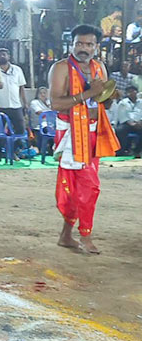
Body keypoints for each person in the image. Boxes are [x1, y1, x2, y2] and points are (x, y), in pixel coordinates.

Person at [51, 25, 119, 254]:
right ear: (71, 44)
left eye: (89, 44)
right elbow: (55, 104)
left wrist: (109, 97)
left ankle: (67, 235)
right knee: (81, 187)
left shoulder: (100, 68)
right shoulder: (60, 68)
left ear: (96, 47)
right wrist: (88, 94)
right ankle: (85, 236)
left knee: (82, 187)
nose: (83, 48)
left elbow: (102, 103)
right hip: (70, 133)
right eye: (79, 43)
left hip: (93, 132)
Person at [0, 47, 30, 161]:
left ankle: (12, 151)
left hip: (15, 106)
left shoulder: (17, 70)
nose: (2, 56)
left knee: (20, 130)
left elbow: (21, 87)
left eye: (4, 54)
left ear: (9, 56)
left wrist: (25, 103)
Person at [111, 85, 142, 156]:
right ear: (127, 93)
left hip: (140, 123)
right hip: (127, 124)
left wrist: (140, 122)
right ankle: (121, 151)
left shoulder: (141, 102)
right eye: (129, 92)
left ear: (137, 92)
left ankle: (137, 151)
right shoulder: (123, 103)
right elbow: (123, 116)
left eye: (133, 91)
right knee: (119, 130)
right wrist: (132, 124)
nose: (131, 93)